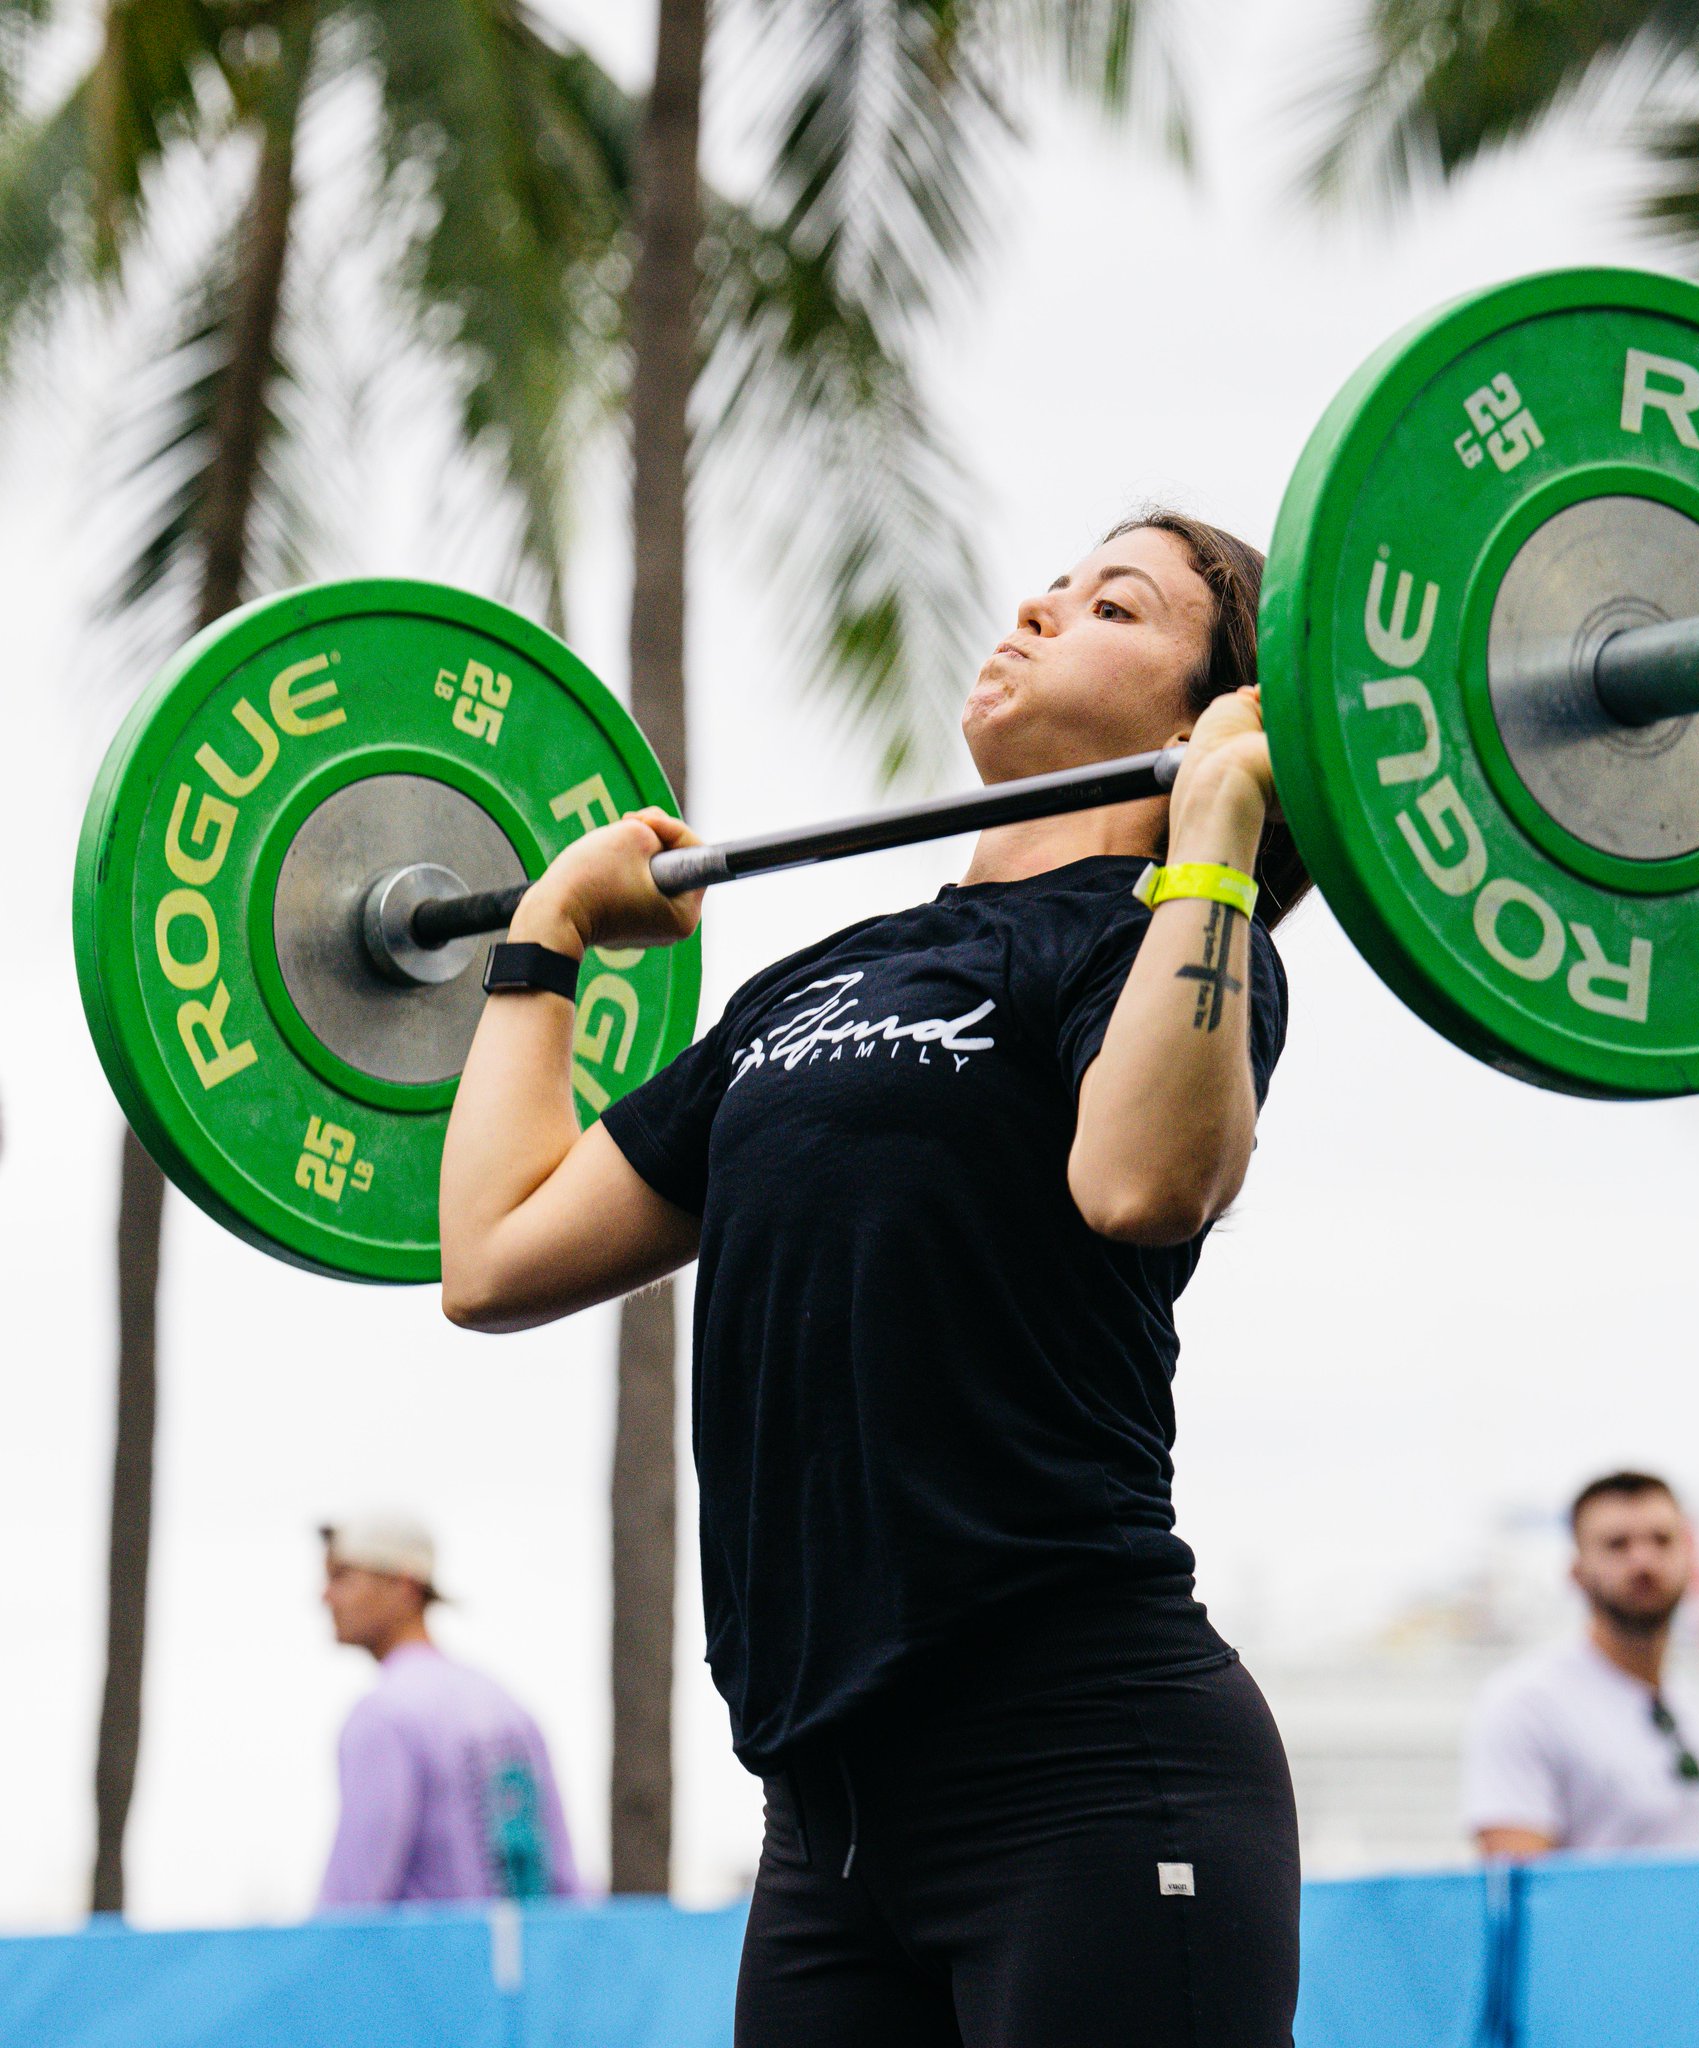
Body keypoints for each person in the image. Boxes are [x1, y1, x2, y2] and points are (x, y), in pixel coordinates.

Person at [441, 512, 1313, 2045]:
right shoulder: (820, 980)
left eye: (1115, 603)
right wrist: (549, 934)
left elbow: (1141, 1184)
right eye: (1054, 578)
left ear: (1207, 715)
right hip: (827, 1818)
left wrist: (1219, 838)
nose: (1042, 606)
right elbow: (496, 1254)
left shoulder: (1153, 945)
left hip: (1086, 1764)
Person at [1462, 1471, 1699, 1859]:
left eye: (1662, 1540)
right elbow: (1519, 1896)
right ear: (1576, 1571)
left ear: (1691, 1560)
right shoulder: (1527, 1705)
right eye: (1616, 1544)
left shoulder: (1694, 1706)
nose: (1643, 1561)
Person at [317, 1514, 580, 1908]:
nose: (326, 1597)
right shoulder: (506, 1706)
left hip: (425, 1967)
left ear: (403, 1585)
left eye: (343, 1577)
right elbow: (563, 1881)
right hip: (525, 1964)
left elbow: (351, 1904)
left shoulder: (384, 1716)